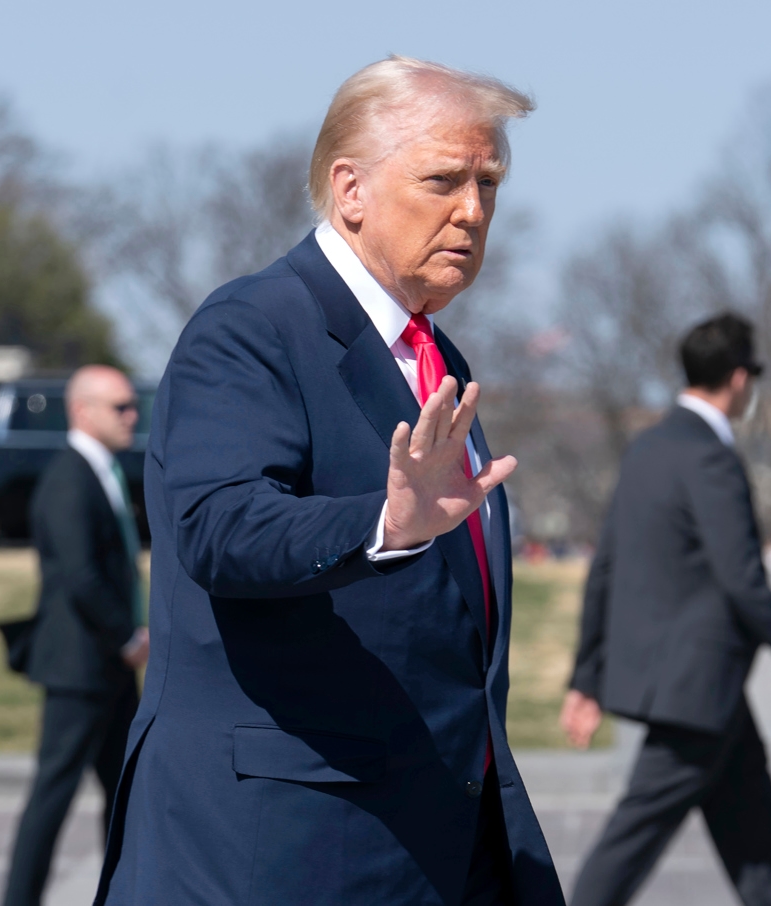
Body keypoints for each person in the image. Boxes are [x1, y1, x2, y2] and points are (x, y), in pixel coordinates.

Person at [93, 57, 563, 906]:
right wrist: (384, 523)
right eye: (443, 180)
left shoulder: (433, 356)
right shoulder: (251, 328)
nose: (473, 210)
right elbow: (219, 527)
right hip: (283, 851)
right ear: (350, 190)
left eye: (488, 183)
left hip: (431, 842)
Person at [560, 313, 771, 906]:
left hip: (703, 692)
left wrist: (586, 678)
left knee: (758, 846)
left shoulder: (648, 447)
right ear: (740, 379)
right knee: (630, 843)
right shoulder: (710, 457)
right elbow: (744, 580)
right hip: (695, 689)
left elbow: (605, 569)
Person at [2, 365, 150, 906]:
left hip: (107, 668)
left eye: (133, 405)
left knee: (124, 796)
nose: (133, 415)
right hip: (79, 667)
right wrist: (128, 637)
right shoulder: (68, 478)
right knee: (52, 796)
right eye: (120, 407)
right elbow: (79, 574)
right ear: (82, 411)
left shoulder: (103, 472)